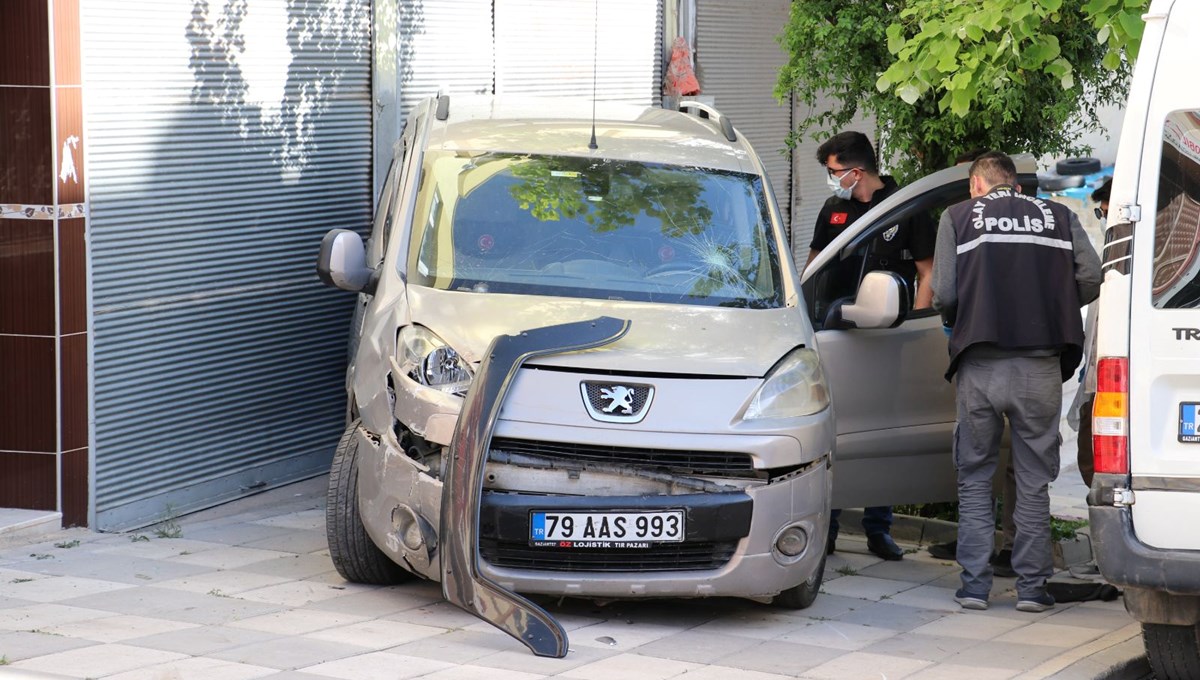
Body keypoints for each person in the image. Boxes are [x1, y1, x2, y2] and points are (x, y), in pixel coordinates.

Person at [932, 152, 1101, 613]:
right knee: (1031, 481)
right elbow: (1091, 275)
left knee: (974, 476)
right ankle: (1031, 589)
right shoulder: (1059, 215)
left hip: (981, 365)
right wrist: (1055, 302)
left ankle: (974, 587)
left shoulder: (958, 217)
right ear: (1015, 185)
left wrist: (962, 316)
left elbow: (943, 293)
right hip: (1040, 368)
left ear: (976, 185)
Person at [807, 131, 937, 561]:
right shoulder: (834, 208)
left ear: (855, 171)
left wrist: (912, 328)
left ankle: (878, 529)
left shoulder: (905, 207)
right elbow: (814, 263)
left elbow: (927, 274)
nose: (831, 179)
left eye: (833, 172)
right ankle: (827, 527)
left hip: (888, 339)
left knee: (883, 431)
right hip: (837, 335)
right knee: (837, 433)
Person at [1067, 177, 1112, 488]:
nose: (1105, 220)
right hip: (1098, 374)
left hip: (1112, 377)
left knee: (1095, 462)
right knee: (1090, 461)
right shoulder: (1113, 254)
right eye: (1102, 213)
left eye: (1106, 213)